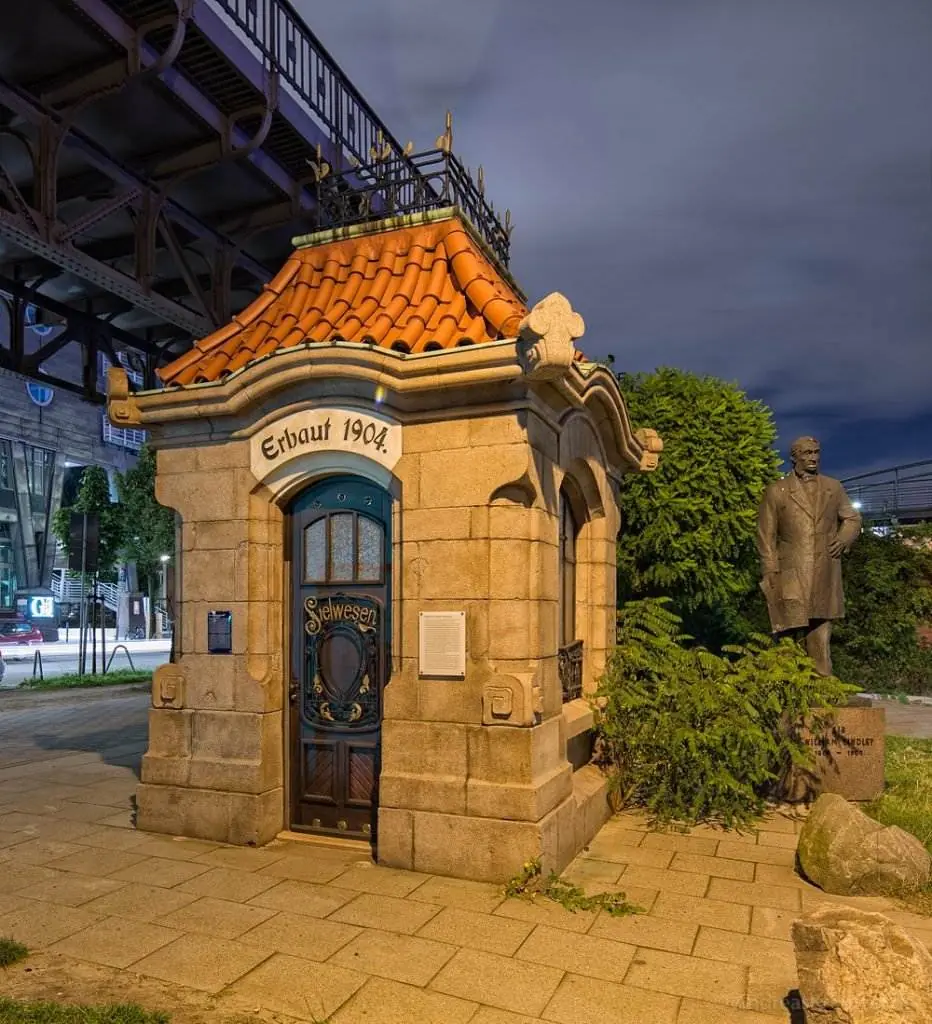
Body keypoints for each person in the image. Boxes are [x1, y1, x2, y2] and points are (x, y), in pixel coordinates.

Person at [756, 437, 861, 676]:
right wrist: (770, 571)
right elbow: (766, 535)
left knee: (821, 627)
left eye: (816, 452)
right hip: (790, 570)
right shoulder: (777, 491)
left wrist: (844, 539)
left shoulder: (833, 487)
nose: (813, 457)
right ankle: (789, 681)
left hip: (825, 568)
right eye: (806, 453)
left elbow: (852, 519)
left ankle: (822, 681)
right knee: (787, 631)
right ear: (794, 457)